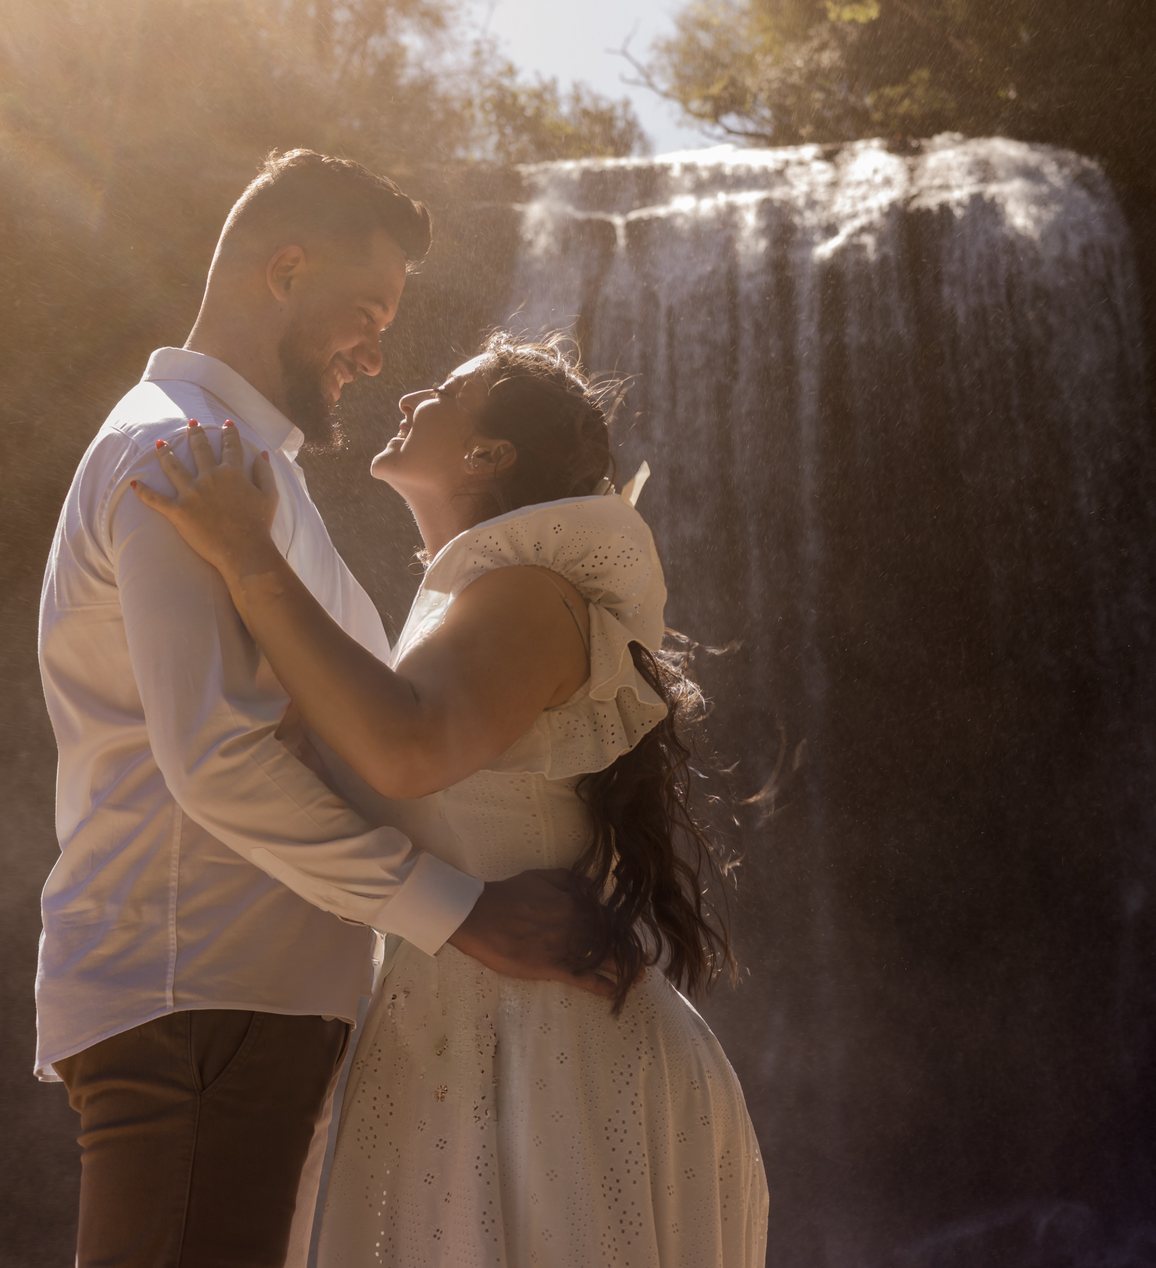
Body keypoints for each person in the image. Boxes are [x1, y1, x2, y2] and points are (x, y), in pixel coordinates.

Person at [37, 150, 617, 1268]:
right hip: (201, 994)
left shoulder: (248, 468)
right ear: (283, 268)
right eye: (364, 312)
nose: (376, 352)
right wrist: (463, 915)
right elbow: (214, 761)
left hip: (244, 1000)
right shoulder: (180, 453)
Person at [133, 329, 770, 1266]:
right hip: (470, 1030)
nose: (408, 397)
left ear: (488, 454)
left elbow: (404, 749)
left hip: (547, 1045)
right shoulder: (466, 606)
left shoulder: (531, 590)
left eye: (442, 390)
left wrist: (243, 550)